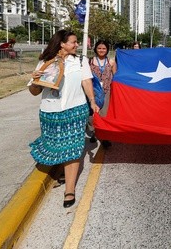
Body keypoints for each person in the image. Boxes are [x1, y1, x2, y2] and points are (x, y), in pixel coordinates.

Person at [28, 30, 99, 208]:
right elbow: (34, 91)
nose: (77, 45)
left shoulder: (81, 61)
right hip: (50, 112)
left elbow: (86, 82)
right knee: (57, 146)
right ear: (62, 43)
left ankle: (70, 189)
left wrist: (92, 101)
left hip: (75, 110)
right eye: (73, 42)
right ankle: (63, 170)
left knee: (74, 148)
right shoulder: (46, 62)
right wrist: (35, 81)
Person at [88, 40, 117, 146]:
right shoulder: (89, 61)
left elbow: (116, 77)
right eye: (99, 48)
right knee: (92, 114)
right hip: (93, 91)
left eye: (104, 48)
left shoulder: (111, 62)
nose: (101, 50)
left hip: (106, 91)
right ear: (95, 49)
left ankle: (104, 137)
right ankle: (94, 132)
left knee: (104, 114)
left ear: (107, 50)